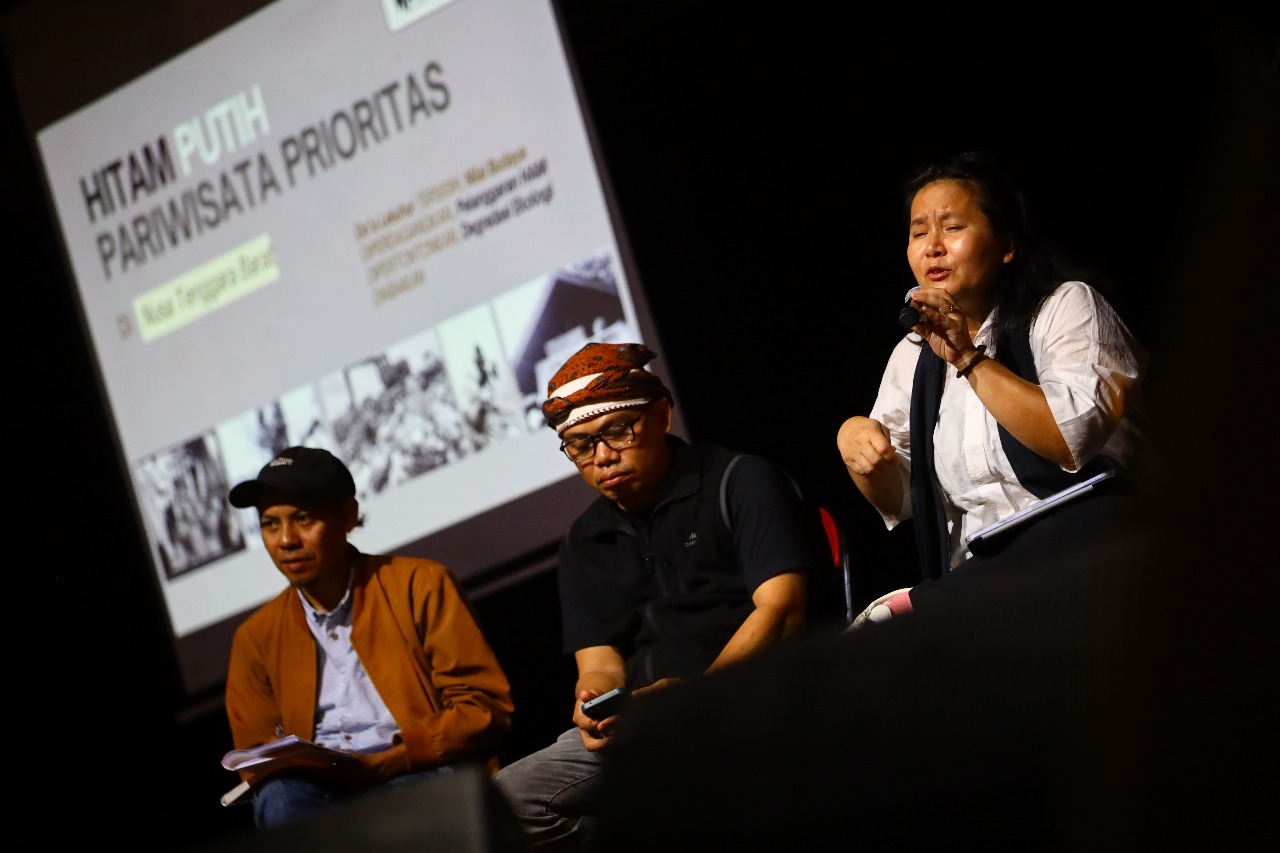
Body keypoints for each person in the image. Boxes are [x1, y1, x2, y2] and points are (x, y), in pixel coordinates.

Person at [492, 341, 826, 851]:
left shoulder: (738, 480)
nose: (602, 456)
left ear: (662, 415)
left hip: (754, 698)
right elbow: (599, 660)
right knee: (501, 806)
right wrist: (593, 703)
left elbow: (782, 612)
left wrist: (694, 698)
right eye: (581, 445)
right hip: (645, 723)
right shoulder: (585, 539)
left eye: (616, 432)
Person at [836, 150, 1150, 619]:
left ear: (1006, 244)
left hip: (1089, 541)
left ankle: (922, 609)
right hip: (983, 568)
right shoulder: (911, 354)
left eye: (953, 227)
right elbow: (903, 497)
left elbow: (1070, 439)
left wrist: (967, 358)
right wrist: (858, 449)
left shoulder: (1065, 307)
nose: (932, 247)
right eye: (919, 232)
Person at [223, 445, 515, 830]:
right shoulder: (255, 637)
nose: (285, 540)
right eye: (270, 524)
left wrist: (382, 764)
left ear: (348, 516)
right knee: (279, 799)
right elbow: (257, 755)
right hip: (320, 790)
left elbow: (481, 709)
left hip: (418, 769)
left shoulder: (420, 584)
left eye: (303, 518)